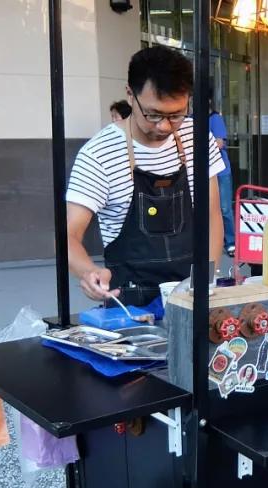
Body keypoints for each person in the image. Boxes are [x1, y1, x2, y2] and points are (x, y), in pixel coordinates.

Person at [66, 46, 226, 306]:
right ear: (130, 95)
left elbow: (212, 214)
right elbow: (68, 235)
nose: (164, 126)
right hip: (129, 304)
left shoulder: (198, 138)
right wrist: (88, 272)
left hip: (191, 296)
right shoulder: (98, 154)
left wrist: (207, 279)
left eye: (175, 114)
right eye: (153, 114)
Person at [209, 98, 235, 256]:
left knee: (224, 208)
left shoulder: (215, 118)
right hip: (202, 171)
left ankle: (231, 242)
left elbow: (219, 143)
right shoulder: (190, 119)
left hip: (221, 171)